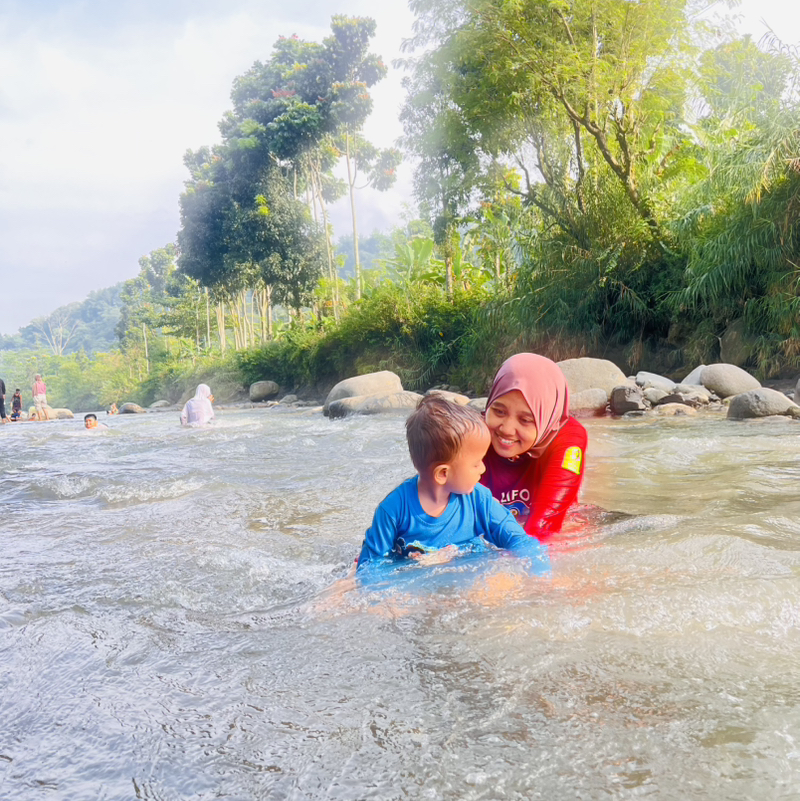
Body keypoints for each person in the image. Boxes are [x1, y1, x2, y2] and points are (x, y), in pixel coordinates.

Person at [356, 395, 550, 574]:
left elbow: (519, 541)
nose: (483, 469)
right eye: (476, 463)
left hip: (470, 575)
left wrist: (541, 573)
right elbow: (370, 568)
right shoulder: (393, 511)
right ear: (443, 474)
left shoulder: (478, 500)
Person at [480, 353, 587, 541]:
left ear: (547, 418)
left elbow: (545, 525)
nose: (507, 429)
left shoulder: (569, 441)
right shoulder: (471, 433)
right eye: (499, 411)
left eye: (525, 420)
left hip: (549, 524)